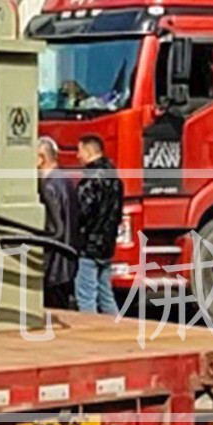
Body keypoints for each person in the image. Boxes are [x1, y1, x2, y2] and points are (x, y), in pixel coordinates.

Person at [74, 134, 124, 316]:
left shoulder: (90, 181)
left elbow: (81, 212)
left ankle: (89, 329)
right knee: (105, 294)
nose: (77, 156)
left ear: (88, 152)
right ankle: (118, 327)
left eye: (79, 151)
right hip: (107, 245)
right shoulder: (115, 179)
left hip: (89, 245)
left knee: (86, 295)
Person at [36, 136, 79, 309]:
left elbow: (52, 228)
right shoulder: (66, 181)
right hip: (67, 259)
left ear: (41, 159)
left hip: (54, 264)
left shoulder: (49, 187)